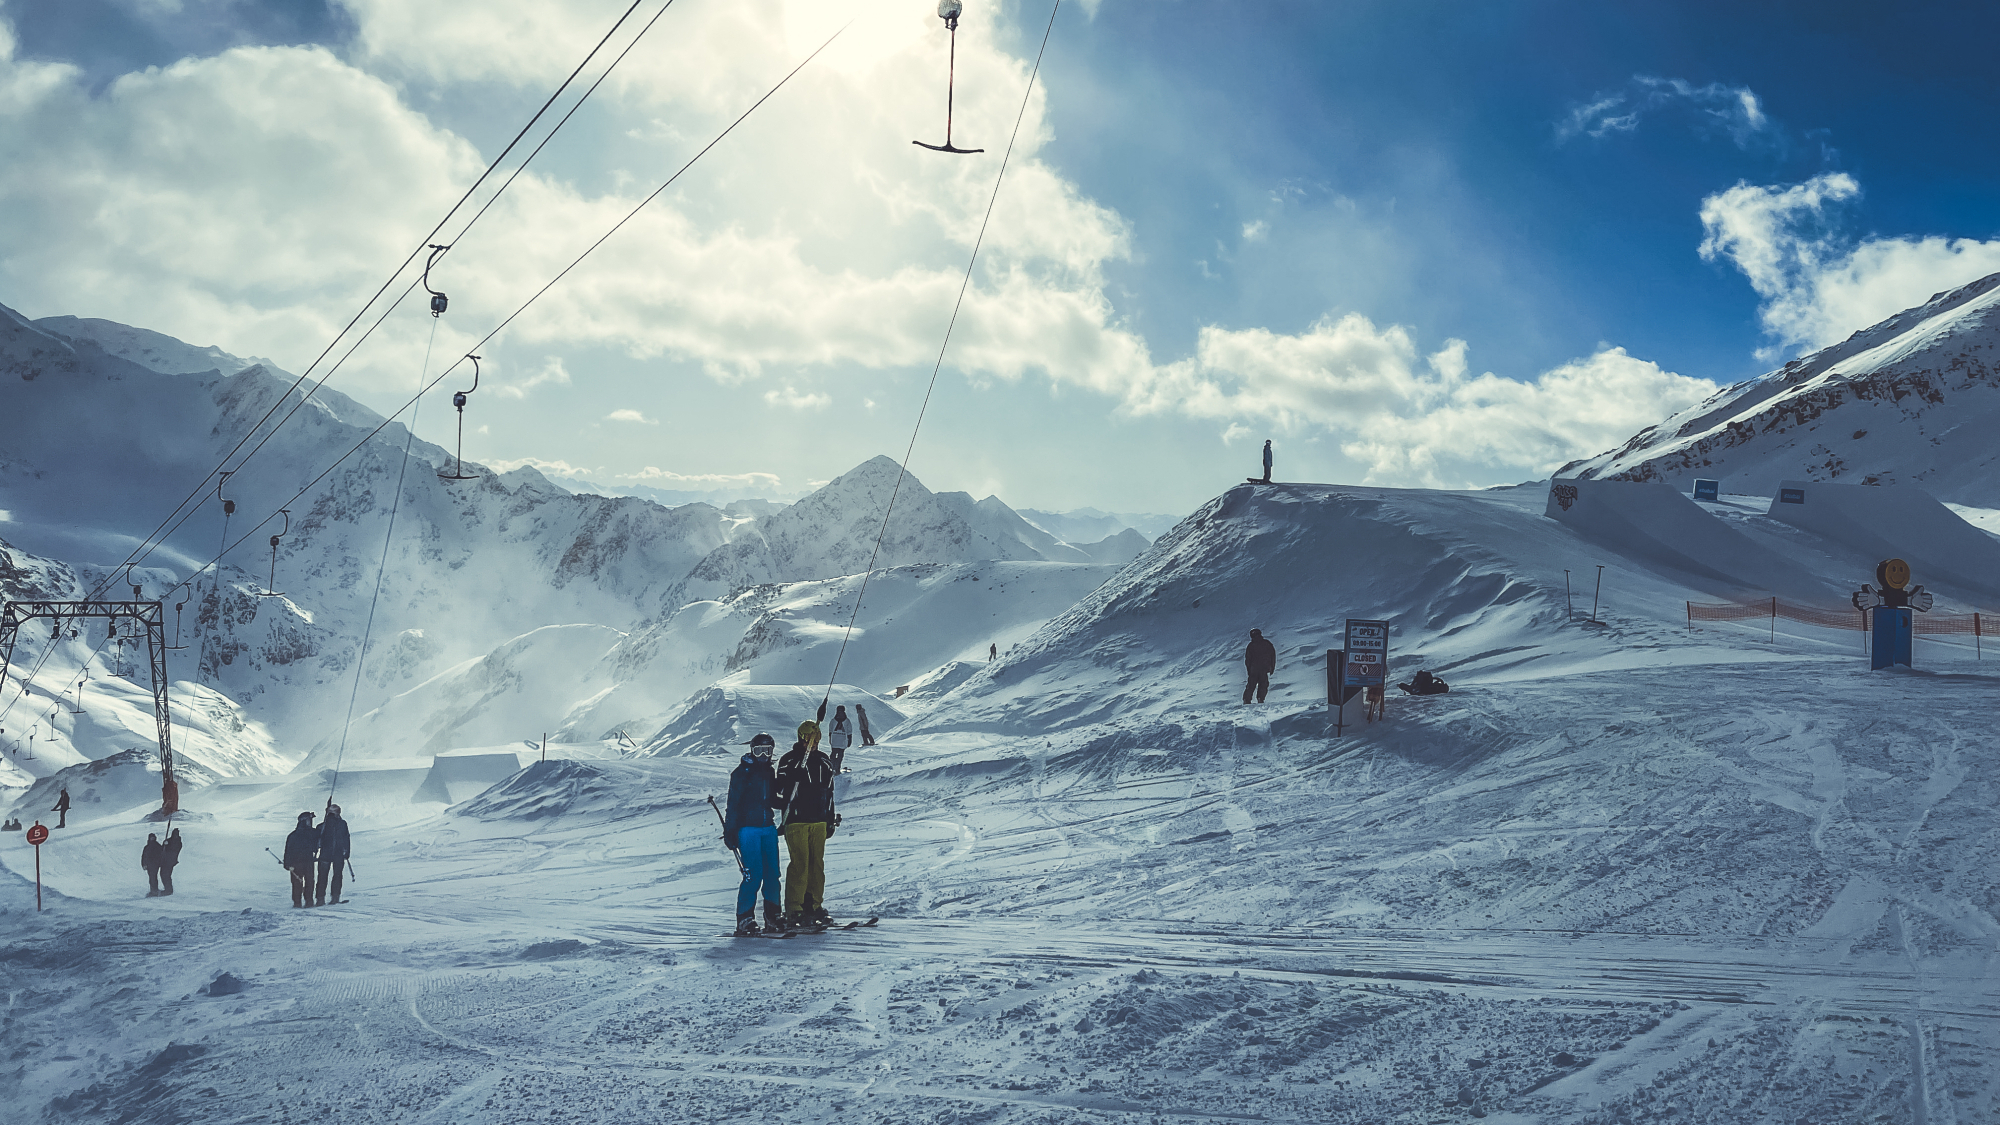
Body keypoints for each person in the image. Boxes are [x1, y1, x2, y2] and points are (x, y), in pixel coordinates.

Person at [774, 720, 840, 929]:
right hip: (796, 819)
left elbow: (829, 791)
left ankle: (814, 904)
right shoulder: (789, 760)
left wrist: (830, 818)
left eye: (817, 738)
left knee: (816, 864)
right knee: (800, 864)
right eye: (810, 739)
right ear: (801, 738)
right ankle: (795, 908)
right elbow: (780, 790)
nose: (813, 743)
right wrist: (794, 777)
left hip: (819, 819)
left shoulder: (824, 761)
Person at [723, 733, 784, 935]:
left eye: (768, 751)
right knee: (753, 875)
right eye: (759, 751)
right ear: (752, 750)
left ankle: (773, 915)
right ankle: (745, 918)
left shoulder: (769, 772)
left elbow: (772, 799)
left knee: (773, 874)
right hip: (747, 829)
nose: (764, 756)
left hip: (767, 827)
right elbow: (733, 804)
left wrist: (786, 802)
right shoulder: (741, 774)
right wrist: (730, 830)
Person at [282, 812, 319, 909]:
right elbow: (288, 851)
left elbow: (322, 836)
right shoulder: (294, 836)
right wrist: (287, 864)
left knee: (309, 881)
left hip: (308, 861)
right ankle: (297, 902)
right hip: (296, 862)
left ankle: (308, 900)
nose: (310, 822)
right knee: (297, 882)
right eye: (309, 820)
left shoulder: (312, 833)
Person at [315, 805, 350, 906]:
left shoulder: (323, 825)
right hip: (334, 854)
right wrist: (347, 852)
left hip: (331, 854)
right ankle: (329, 898)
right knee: (333, 876)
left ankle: (324, 898)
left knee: (325, 877)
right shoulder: (338, 824)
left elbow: (346, 838)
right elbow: (346, 838)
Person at [1242, 628, 1276, 704]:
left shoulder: (1251, 645)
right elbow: (1272, 656)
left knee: (1251, 685)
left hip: (1254, 669)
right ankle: (1260, 698)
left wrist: (1249, 670)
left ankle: (1247, 700)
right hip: (1264, 668)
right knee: (1263, 684)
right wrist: (1272, 667)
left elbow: (1248, 659)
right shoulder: (1267, 643)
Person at [161, 827, 182, 895]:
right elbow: (163, 849)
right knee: (163, 874)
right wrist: (164, 844)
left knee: (166, 875)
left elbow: (174, 849)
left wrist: (167, 844)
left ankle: (169, 890)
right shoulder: (170, 840)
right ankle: (167, 888)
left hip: (170, 861)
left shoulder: (178, 842)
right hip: (165, 860)